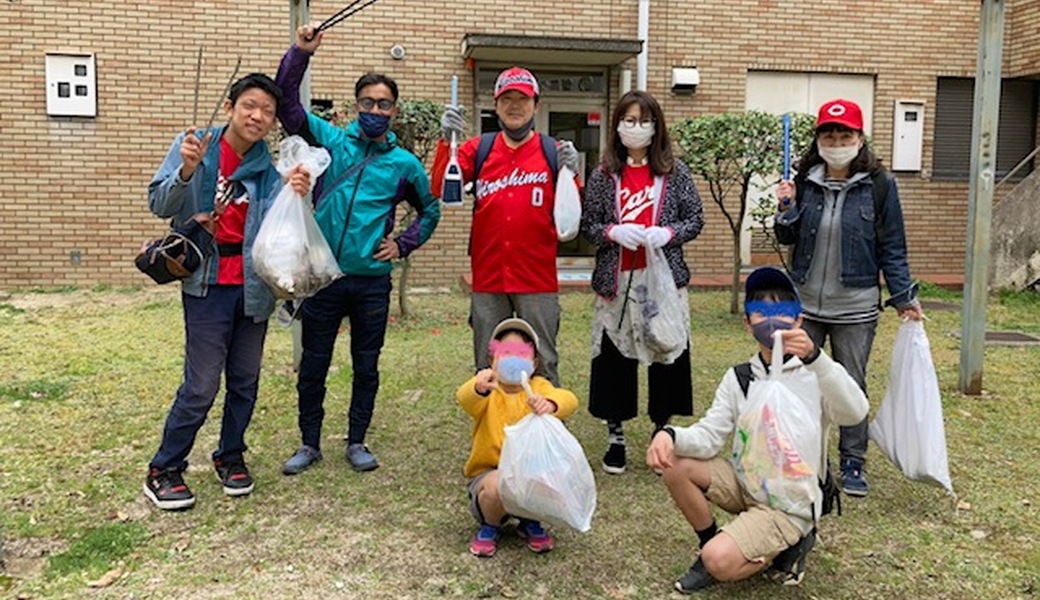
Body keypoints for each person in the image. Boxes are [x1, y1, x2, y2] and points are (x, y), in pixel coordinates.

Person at [275, 26, 441, 475]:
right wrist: (299, 53)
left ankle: (357, 441)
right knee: (313, 365)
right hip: (325, 277)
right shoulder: (330, 140)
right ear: (356, 106)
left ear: (394, 110)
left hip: (371, 282)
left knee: (365, 366)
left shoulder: (404, 163)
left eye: (383, 104)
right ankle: (309, 444)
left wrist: (402, 243)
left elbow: (430, 210)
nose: (374, 110)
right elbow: (287, 103)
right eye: (367, 102)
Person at [143, 73, 312, 510]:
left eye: (268, 112)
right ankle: (164, 467)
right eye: (250, 106)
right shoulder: (197, 145)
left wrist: (296, 195)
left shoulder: (268, 167)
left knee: (244, 380)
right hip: (206, 283)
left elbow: (281, 228)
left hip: (253, 287)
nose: (258, 116)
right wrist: (186, 170)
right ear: (231, 107)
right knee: (200, 384)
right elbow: (160, 204)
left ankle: (231, 455)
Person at [646, 266, 869, 593]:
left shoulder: (816, 374)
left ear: (798, 319)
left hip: (790, 501)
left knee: (719, 560)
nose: (772, 319)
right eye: (761, 312)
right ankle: (710, 542)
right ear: (747, 324)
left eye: (782, 309)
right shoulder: (740, 378)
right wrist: (669, 435)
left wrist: (817, 358)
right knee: (676, 466)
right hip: (747, 481)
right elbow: (709, 436)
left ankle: (789, 544)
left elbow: (856, 412)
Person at [774, 98, 924, 497]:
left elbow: (892, 245)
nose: (836, 140)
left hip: (855, 307)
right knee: (798, 379)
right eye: (829, 133)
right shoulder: (805, 180)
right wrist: (785, 208)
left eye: (845, 134)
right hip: (805, 302)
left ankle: (853, 460)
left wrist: (903, 295)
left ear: (860, 138)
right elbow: (787, 237)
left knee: (849, 384)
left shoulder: (879, 185)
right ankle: (802, 456)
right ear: (818, 139)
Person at [580, 90, 704, 475]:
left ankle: (661, 432)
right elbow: (589, 225)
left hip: (663, 280)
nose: (636, 128)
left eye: (644, 121)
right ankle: (615, 436)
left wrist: (667, 233)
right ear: (617, 125)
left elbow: (695, 218)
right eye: (629, 120)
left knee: (667, 349)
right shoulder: (604, 174)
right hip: (617, 279)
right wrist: (614, 232)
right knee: (614, 356)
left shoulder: (674, 171)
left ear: (656, 126)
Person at [431, 67, 580, 386]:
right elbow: (441, 188)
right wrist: (447, 143)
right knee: (487, 363)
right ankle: (491, 431)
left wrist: (572, 174)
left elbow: (573, 212)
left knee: (543, 360)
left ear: (536, 105)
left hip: (536, 276)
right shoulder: (477, 149)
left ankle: (544, 430)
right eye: (507, 98)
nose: (515, 105)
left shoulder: (553, 152)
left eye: (523, 98)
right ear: (495, 105)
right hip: (489, 275)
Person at [456, 317, 579, 557]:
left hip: (530, 471)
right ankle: (491, 524)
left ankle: (530, 521)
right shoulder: (488, 390)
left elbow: (569, 400)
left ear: (534, 362)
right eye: (505, 352)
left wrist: (550, 404)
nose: (514, 358)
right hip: (489, 474)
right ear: (492, 359)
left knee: (546, 481)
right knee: (495, 488)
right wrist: (478, 387)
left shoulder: (539, 386)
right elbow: (464, 398)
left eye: (521, 352)